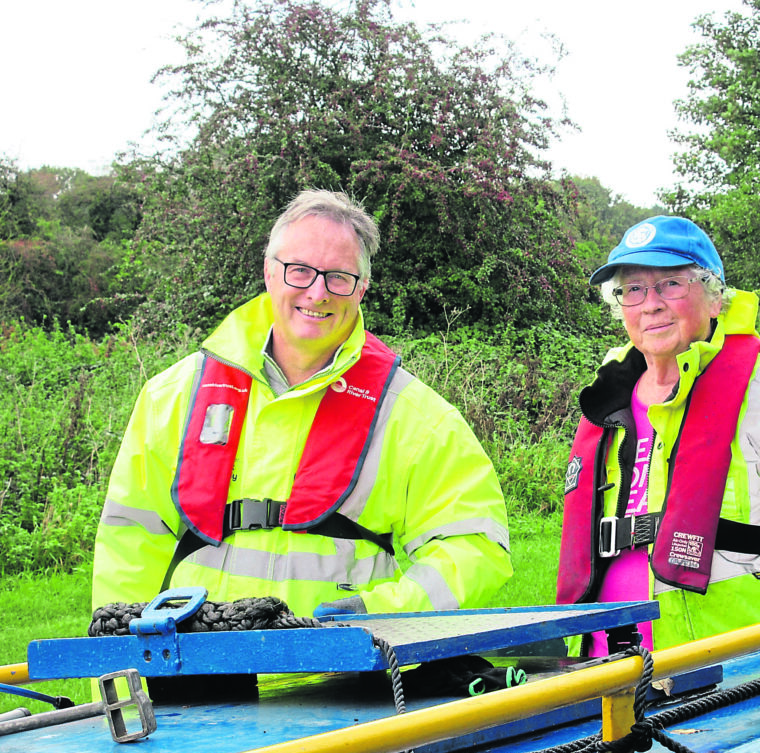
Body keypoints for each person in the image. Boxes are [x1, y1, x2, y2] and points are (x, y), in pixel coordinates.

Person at [92, 189, 512, 619]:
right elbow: (130, 541)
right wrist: (126, 668)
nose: (318, 292)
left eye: (338, 277)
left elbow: (475, 547)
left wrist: (375, 614)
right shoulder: (174, 396)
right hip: (195, 674)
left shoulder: (414, 415)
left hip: (344, 676)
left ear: (362, 288)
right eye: (299, 271)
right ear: (269, 272)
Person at [557, 215, 760, 654]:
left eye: (670, 284)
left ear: (716, 298)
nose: (650, 304)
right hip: (606, 682)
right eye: (633, 289)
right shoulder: (605, 404)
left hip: (744, 687)